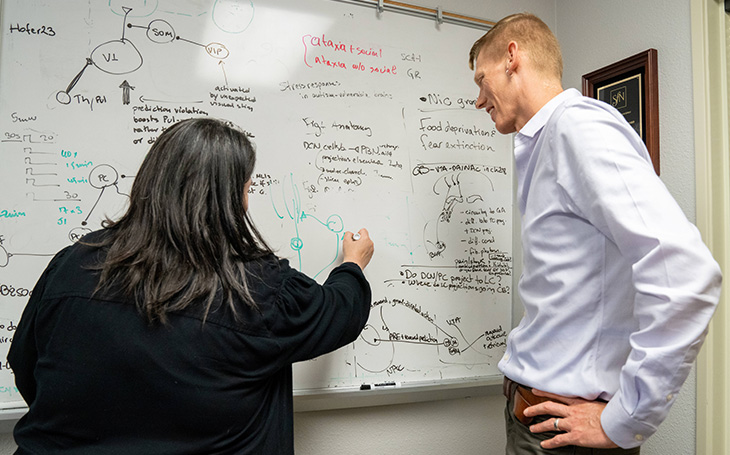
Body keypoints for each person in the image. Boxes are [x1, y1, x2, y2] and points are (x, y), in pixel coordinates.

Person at [7, 117, 374, 454]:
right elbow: (338, 312)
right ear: (230, 199)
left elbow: (26, 364)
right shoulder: (257, 288)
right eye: (247, 188)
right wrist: (353, 264)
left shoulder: (72, 263)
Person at [468, 13, 722, 454]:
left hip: (560, 438)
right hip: (536, 419)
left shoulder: (578, 127)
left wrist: (625, 421)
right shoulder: (545, 140)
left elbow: (685, 274)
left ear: (512, 57)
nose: (477, 99)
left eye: (480, 78)